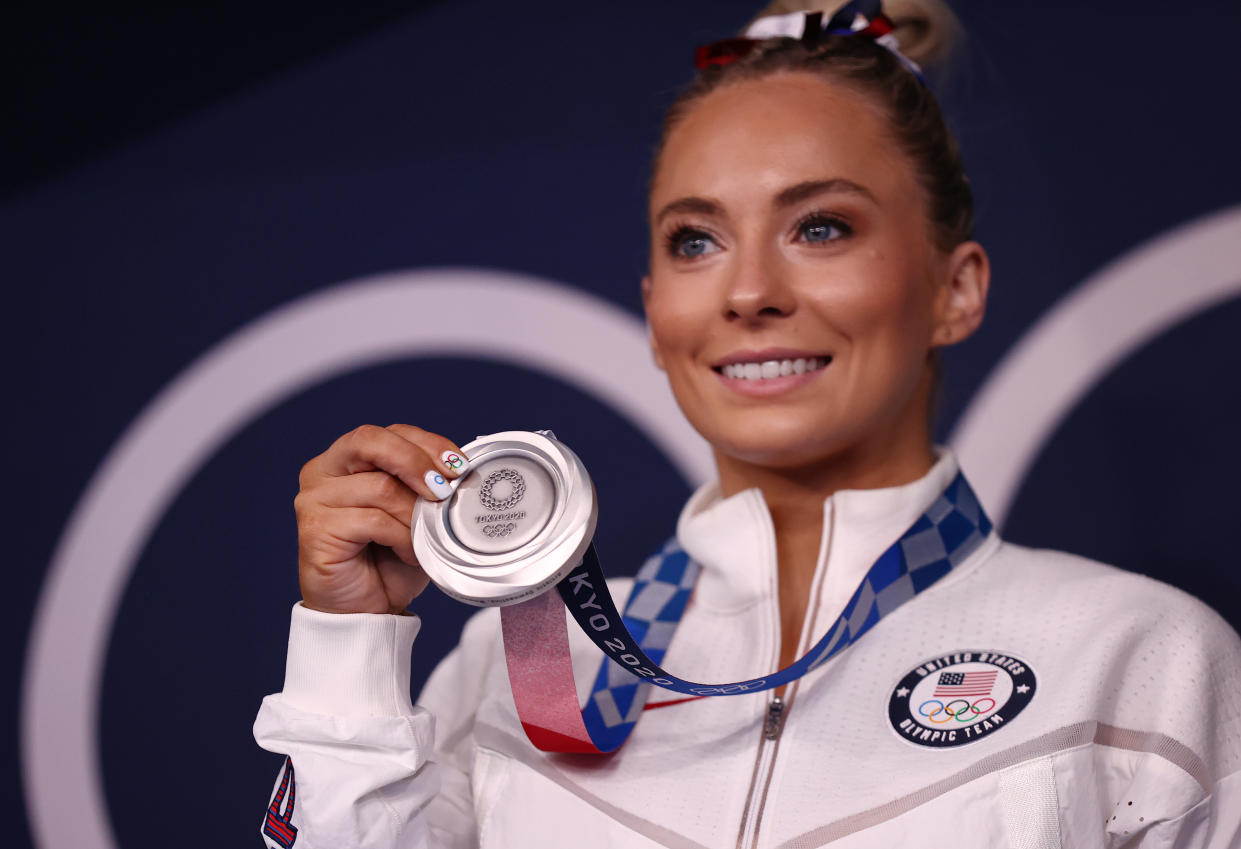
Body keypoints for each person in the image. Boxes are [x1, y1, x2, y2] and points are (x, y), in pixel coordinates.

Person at [254, 2, 1241, 847]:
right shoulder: (520, 666)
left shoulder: (1140, 658)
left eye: (820, 227)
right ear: (652, 310)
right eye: (696, 241)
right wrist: (350, 646)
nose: (749, 292)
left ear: (954, 289)